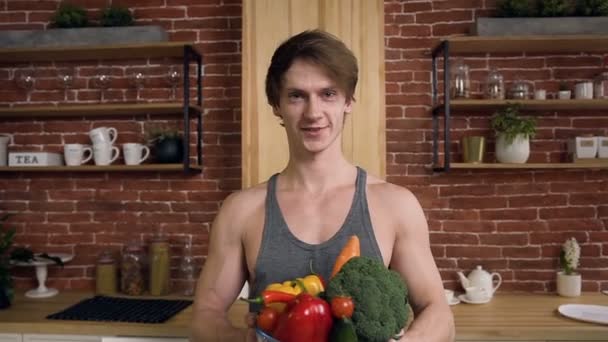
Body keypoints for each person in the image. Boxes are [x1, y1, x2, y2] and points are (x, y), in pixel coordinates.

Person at [191, 29, 455, 342]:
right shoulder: (242, 210)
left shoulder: (395, 204)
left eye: (328, 94)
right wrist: (242, 340)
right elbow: (203, 315)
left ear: (348, 101)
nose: (313, 113)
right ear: (276, 105)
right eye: (297, 95)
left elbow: (438, 312)